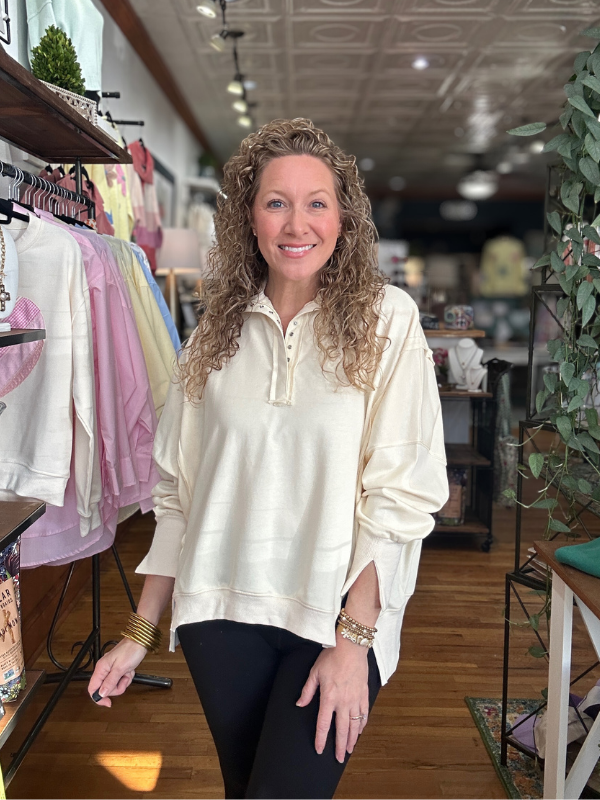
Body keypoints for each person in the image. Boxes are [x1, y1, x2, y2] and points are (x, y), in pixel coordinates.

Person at [88, 118, 449, 800]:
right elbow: (179, 497)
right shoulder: (209, 342)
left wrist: (354, 643)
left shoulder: (388, 321)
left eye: (316, 201)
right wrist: (139, 632)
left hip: (335, 620)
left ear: (343, 217)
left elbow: (399, 496)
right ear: (249, 219)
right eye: (276, 201)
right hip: (220, 617)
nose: (296, 222)